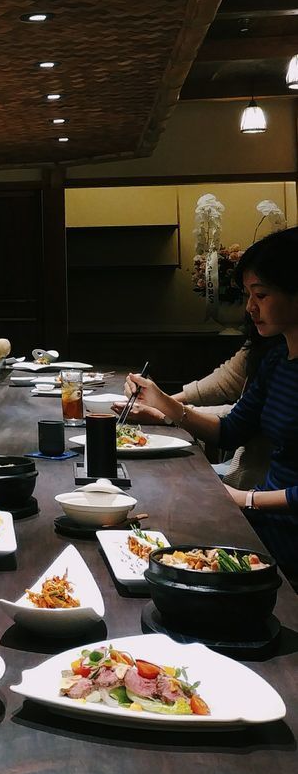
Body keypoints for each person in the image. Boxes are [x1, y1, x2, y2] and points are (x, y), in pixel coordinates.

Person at [125, 227, 298, 576]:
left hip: (282, 534)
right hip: (257, 519)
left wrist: (245, 500)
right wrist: (163, 402)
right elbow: (232, 429)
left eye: (260, 295)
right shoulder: (277, 359)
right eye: (248, 294)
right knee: (142, 516)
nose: (250, 307)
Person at [123, 326, 272, 489]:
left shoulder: (278, 359)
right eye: (249, 298)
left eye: (262, 298)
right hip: (244, 476)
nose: (250, 306)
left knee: (158, 483)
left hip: (253, 482)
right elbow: (230, 398)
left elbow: (237, 424)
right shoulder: (271, 351)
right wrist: (161, 402)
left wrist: (164, 410)